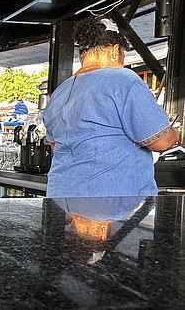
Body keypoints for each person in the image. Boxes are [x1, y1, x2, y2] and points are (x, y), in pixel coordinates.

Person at [43, 16, 179, 197]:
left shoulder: (60, 92)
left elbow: (56, 148)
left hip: (62, 198)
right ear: (115, 51)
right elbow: (161, 141)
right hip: (111, 203)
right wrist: (175, 132)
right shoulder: (123, 79)